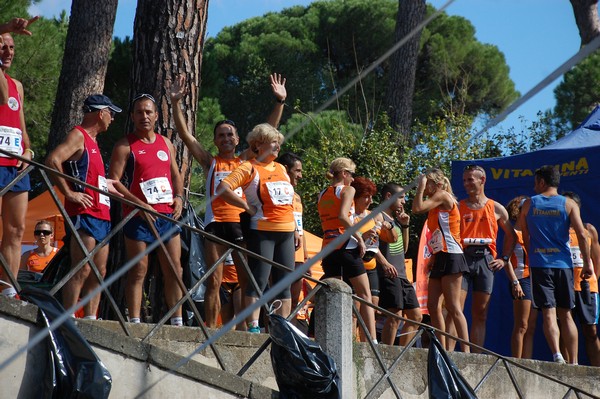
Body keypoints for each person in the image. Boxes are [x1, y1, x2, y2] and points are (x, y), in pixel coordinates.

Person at [170, 73, 287, 328]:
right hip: (215, 225)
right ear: (215, 141)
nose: (225, 139)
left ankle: (246, 329)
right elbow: (186, 135)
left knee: (246, 281)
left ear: (237, 139)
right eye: (220, 135)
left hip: (241, 224)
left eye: (229, 135)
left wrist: (279, 103)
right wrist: (176, 103)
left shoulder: (245, 160)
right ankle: (211, 330)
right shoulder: (209, 161)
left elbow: (267, 134)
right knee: (214, 281)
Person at [108, 93, 185, 326]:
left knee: (174, 269)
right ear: (132, 116)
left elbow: (176, 174)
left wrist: (179, 197)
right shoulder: (124, 145)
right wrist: (139, 204)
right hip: (137, 217)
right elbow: (112, 182)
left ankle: (178, 321)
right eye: (139, 112)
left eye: (148, 112)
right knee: (139, 269)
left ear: (156, 115)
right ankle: (134, 320)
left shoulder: (166, 143)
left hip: (166, 216)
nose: (144, 116)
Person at [46, 94, 122, 319]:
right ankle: (67, 317)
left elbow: (90, 176)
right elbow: (53, 160)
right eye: (111, 113)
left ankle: (91, 318)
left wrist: (109, 186)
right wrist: (69, 193)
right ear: (101, 113)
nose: (113, 119)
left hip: (102, 213)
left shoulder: (94, 141)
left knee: (99, 271)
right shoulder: (78, 135)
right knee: (82, 268)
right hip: (85, 212)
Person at [217, 123, 295, 333]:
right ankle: (253, 327)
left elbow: (290, 201)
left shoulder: (281, 169)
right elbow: (222, 188)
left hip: (286, 232)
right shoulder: (248, 167)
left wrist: (296, 229)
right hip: (262, 231)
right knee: (258, 280)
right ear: (259, 145)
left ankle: (282, 328)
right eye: (273, 142)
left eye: (279, 142)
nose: (278, 146)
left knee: (284, 283)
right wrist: (245, 206)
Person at [519, 165, 593, 364]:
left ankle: (557, 355)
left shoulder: (528, 204)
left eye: (536, 182)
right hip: (563, 264)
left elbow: (525, 234)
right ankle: (575, 362)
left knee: (548, 311)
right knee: (566, 314)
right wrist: (588, 264)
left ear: (542, 182)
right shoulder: (569, 204)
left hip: (540, 264)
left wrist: (532, 251)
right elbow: (582, 235)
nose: (534, 187)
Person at [317, 158, 377, 343]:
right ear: (344, 173)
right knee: (365, 295)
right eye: (351, 174)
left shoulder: (322, 194)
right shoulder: (347, 190)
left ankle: (333, 339)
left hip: (329, 248)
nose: (352, 179)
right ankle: (372, 341)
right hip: (347, 247)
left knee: (335, 294)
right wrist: (359, 238)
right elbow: (343, 216)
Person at [458, 164, 516, 353]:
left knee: (480, 313)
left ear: (482, 180)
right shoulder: (458, 207)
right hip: (463, 258)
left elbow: (512, 235)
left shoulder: (496, 208)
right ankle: (455, 353)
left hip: (486, 259)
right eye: (464, 180)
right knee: (455, 309)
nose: (466, 184)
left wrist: (504, 258)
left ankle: (476, 355)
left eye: (470, 180)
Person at [0, 17, 39, 298]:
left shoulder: (18, 86)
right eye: (2, 46)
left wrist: (28, 150)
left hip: (15, 164)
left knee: (16, 230)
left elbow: (21, 126)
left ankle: (9, 291)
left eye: (11, 47)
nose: (8, 52)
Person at [412, 169, 470, 352]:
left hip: (453, 255)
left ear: (436, 185)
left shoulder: (443, 196)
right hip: (440, 256)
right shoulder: (435, 206)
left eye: (427, 183)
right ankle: (442, 349)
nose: (425, 186)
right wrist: (433, 257)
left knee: (453, 306)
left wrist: (420, 188)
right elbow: (437, 234)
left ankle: (467, 350)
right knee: (432, 306)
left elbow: (416, 208)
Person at [378, 183, 423, 346]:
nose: (404, 202)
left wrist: (405, 225)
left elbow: (403, 249)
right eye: (402, 197)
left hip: (403, 275)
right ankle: (387, 354)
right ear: (389, 196)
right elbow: (371, 245)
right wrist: (384, 263)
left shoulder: (395, 220)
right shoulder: (378, 216)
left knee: (416, 316)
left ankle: (401, 354)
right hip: (389, 274)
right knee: (395, 315)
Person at [562, 191, 600, 366]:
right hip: (564, 285)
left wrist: (592, 281)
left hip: (587, 287)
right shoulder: (558, 230)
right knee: (564, 329)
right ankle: (567, 370)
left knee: (591, 331)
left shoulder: (588, 229)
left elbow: (596, 260)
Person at [276, 152, 308, 321]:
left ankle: (292, 334)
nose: (300, 175)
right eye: (298, 171)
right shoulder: (277, 192)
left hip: (299, 255)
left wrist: (306, 255)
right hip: (282, 250)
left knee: (295, 300)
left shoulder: (297, 197)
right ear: (286, 169)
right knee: (280, 296)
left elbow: (300, 227)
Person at [505, 195, 538, 359]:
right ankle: (516, 362)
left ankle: (527, 363)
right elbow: (506, 260)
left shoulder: (531, 234)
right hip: (521, 279)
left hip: (535, 280)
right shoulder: (513, 233)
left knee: (531, 326)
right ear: (518, 212)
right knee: (522, 325)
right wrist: (515, 282)